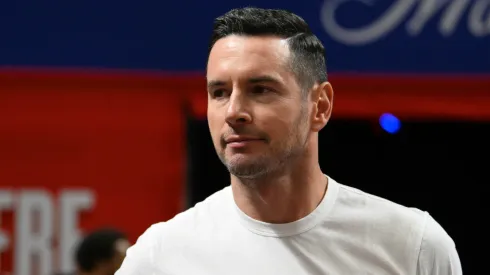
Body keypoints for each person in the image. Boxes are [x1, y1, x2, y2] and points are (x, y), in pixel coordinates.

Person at [116, 7, 462, 275]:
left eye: (260, 89)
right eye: (219, 92)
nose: (234, 111)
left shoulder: (412, 246)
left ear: (320, 106)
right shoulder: (160, 256)